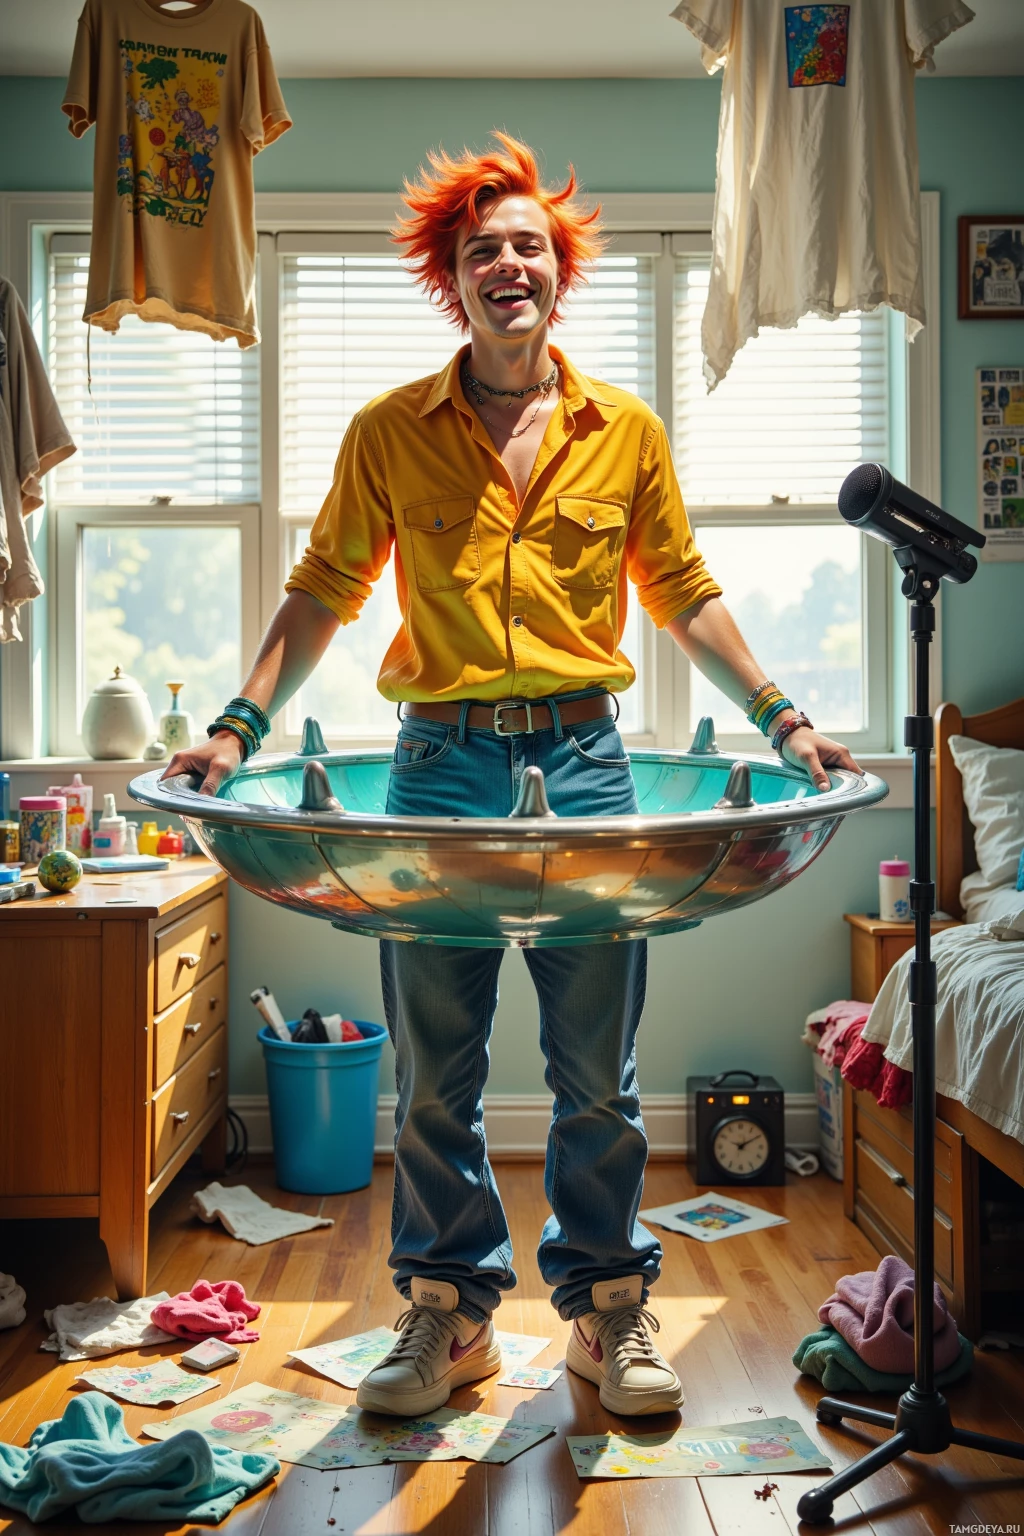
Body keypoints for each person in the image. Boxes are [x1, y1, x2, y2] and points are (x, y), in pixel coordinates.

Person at [164, 133, 860, 1420]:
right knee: (439, 1071)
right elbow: (321, 592)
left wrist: (786, 718)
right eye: (482, 248)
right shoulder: (389, 433)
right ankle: (446, 1315)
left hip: (586, 761)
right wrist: (234, 727)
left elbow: (685, 594)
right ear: (454, 279)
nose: (508, 264)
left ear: (559, 271)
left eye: (528, 245)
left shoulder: (625, 431)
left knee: (598, 1074)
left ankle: (607, 1312)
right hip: (437, 769)